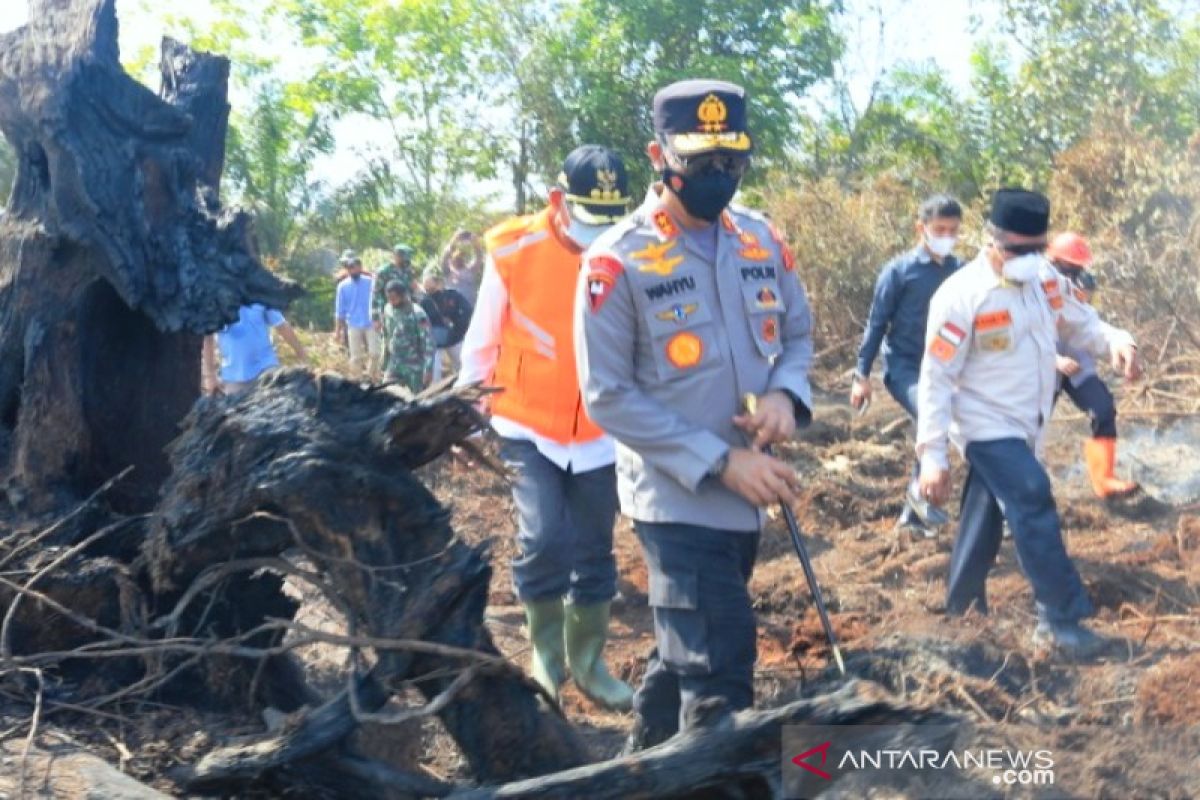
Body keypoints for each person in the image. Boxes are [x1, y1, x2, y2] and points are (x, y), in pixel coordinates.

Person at [575, 80, 815, 749]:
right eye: (702, 162)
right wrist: (720, 462)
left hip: (747, 496)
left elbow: (796, 334)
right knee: (719, 669)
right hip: (677, 501)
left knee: (681, 650)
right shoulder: (617, 260)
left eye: (733, 161)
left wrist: (784, 397)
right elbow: (607, 394)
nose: (719, 176)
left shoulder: (761, 239)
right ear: (660, 155)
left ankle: (637, 768)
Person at [917, 188, 1141, 660]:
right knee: (1031, 495)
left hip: (1028, 424)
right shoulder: (960, 296)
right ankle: (1060, 620)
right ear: (991, 239)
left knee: (987, 509)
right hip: (983, 423)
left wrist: (1118, 341)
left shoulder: (1045, 279)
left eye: (1036, 249)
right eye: (1018, 250)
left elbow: (1084, 324)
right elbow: (936, 378)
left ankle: (961, 608)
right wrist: (932, 456)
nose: (1029, 259)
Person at [456, 144, 635, 711]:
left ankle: (589, 664)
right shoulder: (514, 249)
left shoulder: (633, 250)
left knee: (594, 547)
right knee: (542, 538)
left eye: (609, 220)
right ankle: (547, 658)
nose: (597, 233)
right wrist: (465, 408)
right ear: (558, 201)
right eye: (586, 218)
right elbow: (483, 336)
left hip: (602, 432)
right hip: (526, 423)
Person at [851, 195, 963, 537]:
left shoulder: (961, 272)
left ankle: (917, 513)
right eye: (939, 229)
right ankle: (917, 508)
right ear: (922, 228)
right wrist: (861, 375)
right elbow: (876, 324)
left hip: (945, 370)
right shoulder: (899, 272)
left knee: (952, 424)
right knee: (931, 416)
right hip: (905, 369)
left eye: (953, 230)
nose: (946, 236)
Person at [1047, 232, 1139, 498]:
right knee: (1028, 433)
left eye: (1077, 267)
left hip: (1078, 367)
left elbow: (1089, 327)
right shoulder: (1026, 286)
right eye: (1068, 266)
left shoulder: (1071, 290)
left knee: (1103, 408)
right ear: (1052, 260)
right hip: (1039, 371)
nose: (1072, 273)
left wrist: (1122, 344)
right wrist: (1053, 360)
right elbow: (1019, 339)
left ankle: (1104, 480)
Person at [202, 303, 308, 396]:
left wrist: (302, 354)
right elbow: (208, 337)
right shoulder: (217, 299)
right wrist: (210, 376)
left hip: (265, 370)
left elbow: (281, 325)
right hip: (234, 375)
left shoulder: (259, 295)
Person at [419, 268, 473, 383]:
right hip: (435, 341)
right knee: (434, 373)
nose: (429, 290)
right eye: (426, 288)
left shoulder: (453, 295)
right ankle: (435, 396)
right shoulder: (424, 301)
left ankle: (465, 389)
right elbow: (421, 321)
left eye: (431, 286)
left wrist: (459, 326)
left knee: (465, 366)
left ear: (438, 283)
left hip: (454, 337)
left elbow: (467, 310)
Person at [381, 280, 434, 393]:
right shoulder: (388, 309)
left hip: (414, 365)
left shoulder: (418, 314)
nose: (391, 301)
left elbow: (428, 343)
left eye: (394, 298)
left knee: (419, 399)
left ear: (403, 295)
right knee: (386, 393)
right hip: (394, 362)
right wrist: (384, 361)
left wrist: (428, 369)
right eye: (388, 298)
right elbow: (386, 334)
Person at [333, 250, 379, 381]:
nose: (352, 270)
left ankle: (371, 377)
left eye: (354, 267)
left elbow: (378, 301)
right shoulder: (342, 286)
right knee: (355, 357)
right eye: (349, 268)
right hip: (353, 324)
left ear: (360, 267)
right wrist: (338, 331)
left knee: (375, 353)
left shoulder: (371, 282)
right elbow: (339, 310)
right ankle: (357, 381)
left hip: (371, 323)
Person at [372, 243, 419, 333]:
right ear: (396, 256)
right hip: (389, 312)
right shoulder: (384, 271)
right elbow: (376, 294)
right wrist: (376, 318)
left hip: (407, 312)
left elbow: (411, 291)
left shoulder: (408, 271)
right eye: (402, 258)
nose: (405, 262)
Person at [441, 229, 485, 307]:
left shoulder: (470, 270)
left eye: (461, 257)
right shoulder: (448, 272)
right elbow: (444, 257)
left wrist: (475, 243)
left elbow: (479, 257)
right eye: (456, 258)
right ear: (451, 259)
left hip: (472, 308)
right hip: (456, 312)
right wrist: (454, 240)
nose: (459, 259)